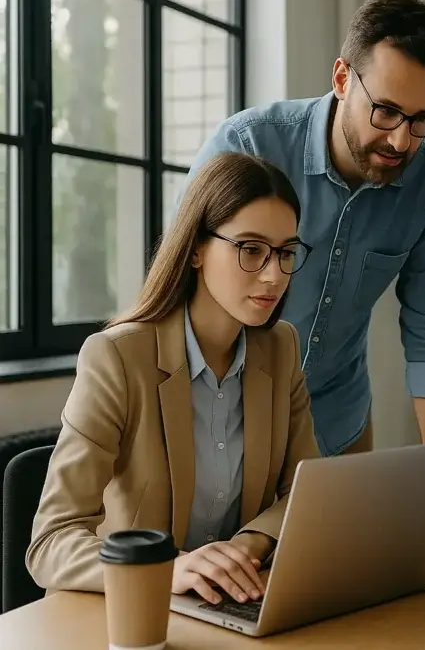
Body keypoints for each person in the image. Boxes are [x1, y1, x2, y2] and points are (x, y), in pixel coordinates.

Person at [175, 0, 425, 537]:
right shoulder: (249, 145)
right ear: (343, 78)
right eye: (386, 111)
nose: (400, 140)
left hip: (337, 423)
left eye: (420, 119)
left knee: (341, 595)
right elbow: (180, 283)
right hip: (223, 425)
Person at [27, 152, 322, 606]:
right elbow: (51, 541)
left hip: (233, 604)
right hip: (132, 614)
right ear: (198, 249)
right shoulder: (117, 358)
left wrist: (247, 545)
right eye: (251, 249)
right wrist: (167, 567)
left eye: (285, 253)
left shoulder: (281, 349)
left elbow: (307, 492)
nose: (273, 275)